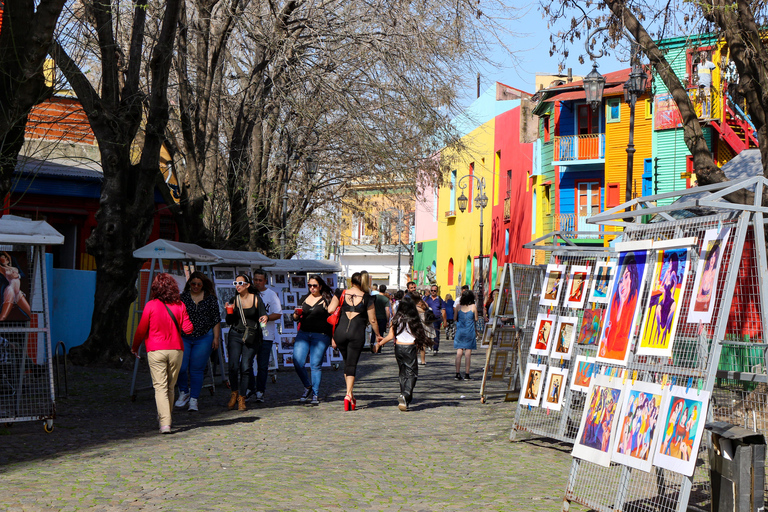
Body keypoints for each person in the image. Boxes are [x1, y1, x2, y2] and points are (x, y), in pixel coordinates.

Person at [131, 273, 193, 434]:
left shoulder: (151, 305)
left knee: (160, 387)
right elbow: (188, 329)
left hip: (155, 349)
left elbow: (141, 329)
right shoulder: (180, 305)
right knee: (171, 387)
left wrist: (135, 347)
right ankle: (167, 418)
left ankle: (165, 423)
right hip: (176, 350)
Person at [373, 296, 432, 411]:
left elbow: (390, 336)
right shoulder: (414, 318)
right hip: (410, 347)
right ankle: (405, 394)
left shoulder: (396, 318)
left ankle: (404, 398)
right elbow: (419, 334)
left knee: (403, 372)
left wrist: (379, 344)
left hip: (398, 347)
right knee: (412, 373)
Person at [333, 271, 381, 410]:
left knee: (347, 363)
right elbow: (372, 320)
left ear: (351, 282)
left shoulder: (341, 293)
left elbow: (330, 309)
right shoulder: (368, 298)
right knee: (352, 364)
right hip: (356, 333)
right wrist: (378, 335)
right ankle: (348, 394)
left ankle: (351, 395)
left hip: (340, 333)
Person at [175, 272, 221, 412]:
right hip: (184, 336)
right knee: (180, 367)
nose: (195, 286)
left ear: (203, 285)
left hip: (204, 337)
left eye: (198, 284)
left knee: (197, 369)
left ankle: (194, 399)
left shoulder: (210, 299)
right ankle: (184, 392)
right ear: (189, 283)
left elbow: (215, 319)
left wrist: (216, 338)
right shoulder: (182, 298)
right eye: (193, 284)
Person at [292, 275, 339, 405]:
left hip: (321, 335)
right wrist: (296, 314)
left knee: (315, 364)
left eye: (315, 285)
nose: (312, 288)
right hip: (304, 334)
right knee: (297, 361)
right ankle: (308, 386)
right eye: (310, 285)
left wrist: (334, 338)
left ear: (320, 286)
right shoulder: (303, 298)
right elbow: (296, 318)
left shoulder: (327, 299)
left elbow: (334, 320)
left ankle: (315, 394)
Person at [224, 274, 268, 411]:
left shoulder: (256, 299)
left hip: (251, 336)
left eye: (240, 283)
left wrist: (265, 318)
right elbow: (229, 322)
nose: (237, 285)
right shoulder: (234, 299)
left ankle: (242, 398)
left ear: (247, 285)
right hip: (235, 335)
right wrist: (229, 312)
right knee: (233, 366)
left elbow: (263, 314)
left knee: (245, 367)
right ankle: (234, 394)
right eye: (235, 283)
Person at [246, 269, 283, 403]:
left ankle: (260, 391)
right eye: (255, 280)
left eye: (260, 280)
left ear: (265, 281)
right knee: (247, 362)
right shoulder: (248, 293)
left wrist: (267, 317)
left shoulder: (271, 295)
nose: (257, 282)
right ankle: (250, 388)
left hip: (266, 335)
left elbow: (278, 313)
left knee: (262, 364)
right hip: (250, 334)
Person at [599, 254, 641, 361]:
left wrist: (608, 339)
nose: (622, 285)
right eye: (621, 280)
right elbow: (611, 341)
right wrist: (621, 303)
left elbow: (618, 342)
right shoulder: (615, 299)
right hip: (611, 354)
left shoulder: (634, 296)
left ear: (632, 279)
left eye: (626, 276)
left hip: (623, 355)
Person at [453, 289, 478, 380]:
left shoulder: (458, 307)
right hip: (469, 332)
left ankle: (457, 373)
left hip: (460, 332)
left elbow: (455, 318)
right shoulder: (473, 307)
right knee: (468, 354)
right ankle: (467, 374)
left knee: (459, 353)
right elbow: (476, 319)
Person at [0, 251, 32, 321]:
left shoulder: (12, 265)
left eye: (5, 257)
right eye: (2, 258)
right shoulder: (2, 269)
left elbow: (9, 257)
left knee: (30, 312)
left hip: (17, 292)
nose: (5, 258)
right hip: (10, 291)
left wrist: (4, 252)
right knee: (3, 317)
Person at [424, 285, 446, 354]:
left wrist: (445, 321)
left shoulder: (439, 300)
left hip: (436, 319)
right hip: (428, 319)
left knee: (436, 334)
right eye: (432, 290)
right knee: (427, 333)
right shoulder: (426, 299)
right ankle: (429, 347)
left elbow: (443, 310)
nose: (433, 292)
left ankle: (435, 348)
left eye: (434, 291)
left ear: (437, 291)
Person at [371, 284, 391, 353]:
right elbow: (387, 311)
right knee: (381, 333)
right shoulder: (386, 299)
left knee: (374, 332)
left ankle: (372, 346)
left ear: (379, 289)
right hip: (382, 318)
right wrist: (388, 320)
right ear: (385, 290)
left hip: (374, 317)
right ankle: (379, 347)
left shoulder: (374, 297)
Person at [697, 51, 717, 117]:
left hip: (707, 83)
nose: (702, 56)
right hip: (700, 83)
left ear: (706, 55)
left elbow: (714, 68)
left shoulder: (710, 64)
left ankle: (708, 114)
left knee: (708, 97)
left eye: (704, 54)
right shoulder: (698, 65)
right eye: (701, 55)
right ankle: (704, 114)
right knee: (702, 98)